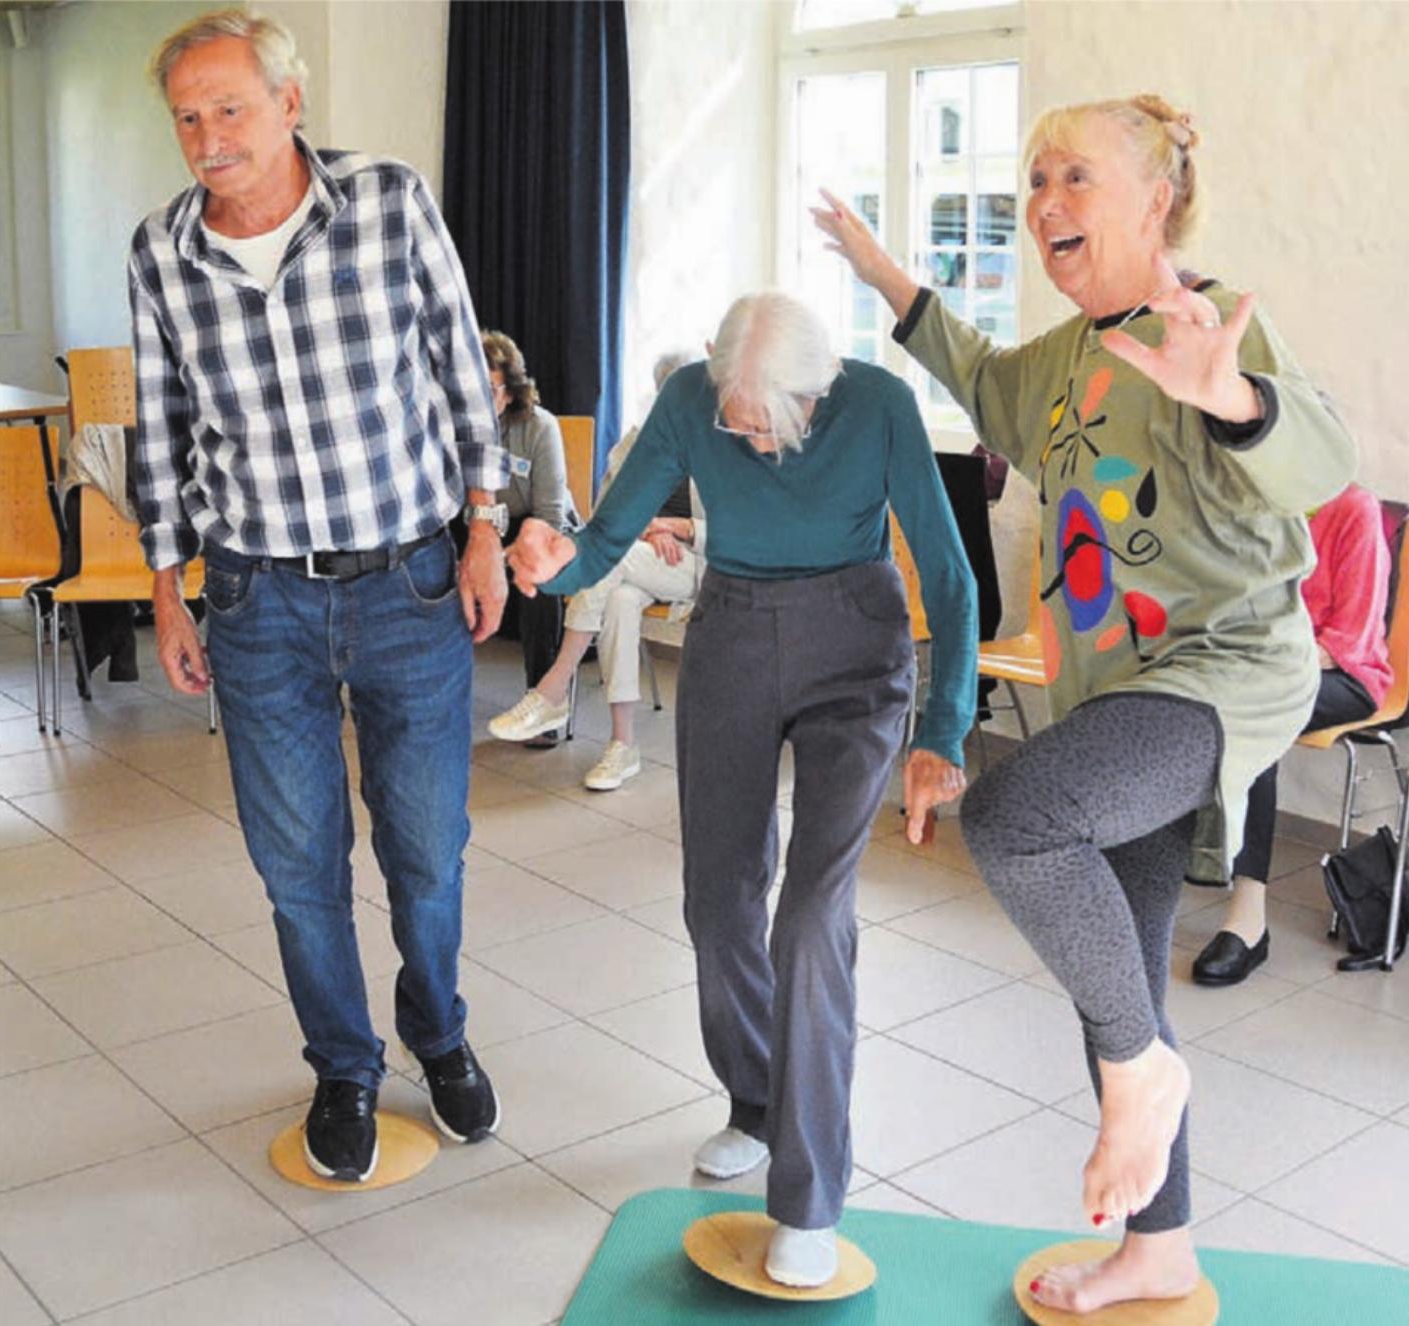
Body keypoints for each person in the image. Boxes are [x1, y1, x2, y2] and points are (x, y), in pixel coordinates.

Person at [815, 93, 1356, 1314]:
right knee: (1113, 962)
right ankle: (1158, 1244)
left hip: (1221, 670)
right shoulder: (1061, 356)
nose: (1045, 203)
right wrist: (886, 276)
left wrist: (1235, 399)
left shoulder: (1199, 324)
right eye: (1034, 180)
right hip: (1116, 689)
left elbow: (1323, 459)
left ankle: (1142, 1073)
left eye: (1076, 179)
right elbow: (977, 372)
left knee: (1018, 821)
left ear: (1157, 202)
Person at [508, 291, 977, 1287]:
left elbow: (949, 575)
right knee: (717, 901)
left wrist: (942, 731)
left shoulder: (880, 405)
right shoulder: (694, 397)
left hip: (856, 648)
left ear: (814, 398)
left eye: (758, 416)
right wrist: (553, 569)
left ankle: (809, 1197)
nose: (737, 427)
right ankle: (756, 1101)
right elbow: (603, 535)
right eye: (730, 404)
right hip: (733, 633)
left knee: (811, 917)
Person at [130, 8, 503, 1183]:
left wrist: (484, 525)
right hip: (254, 600)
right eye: (188, 116)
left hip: (409, 579)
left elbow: (461, 369)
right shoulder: (161, 251)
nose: (207, 136)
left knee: (428, 851)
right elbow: (161, 426)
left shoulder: (389, 201)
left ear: (290, 104)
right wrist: (166, 586)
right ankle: (344, 1063)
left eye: (229, 107)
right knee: (297, 865)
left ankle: (436, 1031)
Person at [1194, 484, 1391, 983]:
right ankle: (1167, 861)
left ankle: (1248, 918)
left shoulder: (1354, 508)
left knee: (1253, 715)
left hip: (1346, 674)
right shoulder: (1256, 501)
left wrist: (1264, 666)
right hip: (1260, 670)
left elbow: (1351, 636)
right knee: (1178, 698)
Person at [489, 349, 701, 787]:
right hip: (639, 560)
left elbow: (739, 525)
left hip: (698, 562)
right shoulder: (639, 441)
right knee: (620, 597)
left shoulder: (721, 448)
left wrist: (674, 525)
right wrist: (645, 526)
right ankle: (623, 746)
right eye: (665, 396)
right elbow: (607, 519)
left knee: (609, 561)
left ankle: (554, 686)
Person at [477, 330, 580, 748]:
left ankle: (543, 702)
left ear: (512, 388)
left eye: (491, 389)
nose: (482, 398)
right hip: (489, 530)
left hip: (547, 532)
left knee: (537, 581)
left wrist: (508, 555)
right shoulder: (461, 430)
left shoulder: (541, 427)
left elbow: (552, 513)